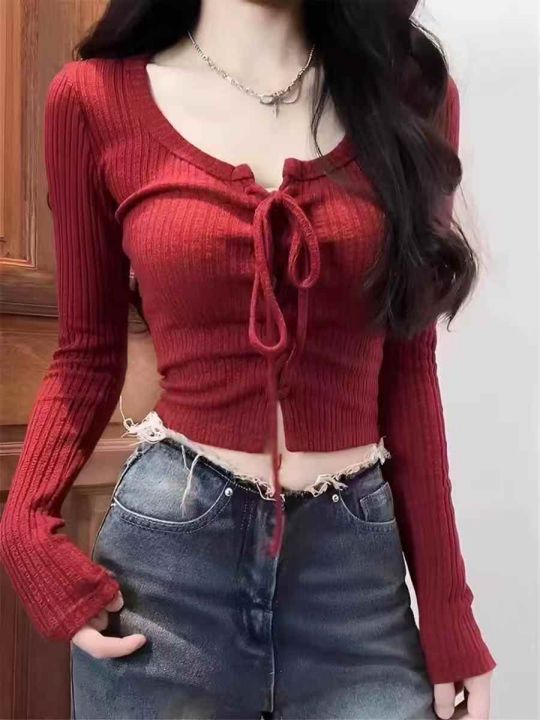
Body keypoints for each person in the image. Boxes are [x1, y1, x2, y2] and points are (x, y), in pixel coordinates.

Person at [0, 0, 497, 718]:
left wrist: (449, 615)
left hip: (355, 587)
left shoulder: (411, 95)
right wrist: (24, 529)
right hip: (165, 576)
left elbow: (409, 368)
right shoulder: (93, 100)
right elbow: (86, 356)